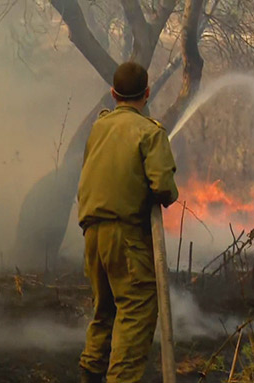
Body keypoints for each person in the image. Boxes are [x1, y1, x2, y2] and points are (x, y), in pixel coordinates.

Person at [77, 62, 179, 383]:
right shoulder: (150, 132)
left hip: (93, 235)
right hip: (126, 236)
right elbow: (164, 188)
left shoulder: (98, 128)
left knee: (104, 310)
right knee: (136, 311)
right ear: (147, 94)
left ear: (112, 93)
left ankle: (90, 372)